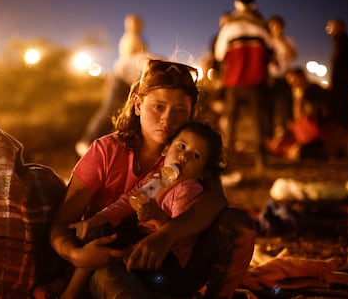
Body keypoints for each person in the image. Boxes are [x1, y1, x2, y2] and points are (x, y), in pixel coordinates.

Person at [32, 58, 255, 299]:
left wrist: (165, 235)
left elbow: (215, 200)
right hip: (112, 262)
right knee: (115, 281)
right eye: (158, 107)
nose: (167, 120)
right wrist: (76, 256)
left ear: (191, 114)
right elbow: (61, 226)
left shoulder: (189, 155)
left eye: (179, 111)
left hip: (173, 264)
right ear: (138, 105)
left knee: (237, 223)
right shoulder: (106, 152)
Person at [61, 120, 228, 299]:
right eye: (181, 146)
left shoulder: (188, 189)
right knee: (98, 232)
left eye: (196, 156)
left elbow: (178, 238)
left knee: (126, 263)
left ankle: (73, 290)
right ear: (166, 149)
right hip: (141, 241)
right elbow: (127, 202)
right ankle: (71, 289)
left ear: (204, 173)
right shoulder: (157, 179)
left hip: (167, 262)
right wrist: (97, 219)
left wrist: (157, 216)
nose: (184, 157)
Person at [214, 0, 273, 173]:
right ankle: (260, 160)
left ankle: (227, 160)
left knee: (231, 122)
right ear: (254, 5)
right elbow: (270, 51)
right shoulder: (262, 28)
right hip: (256, 81)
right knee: (258, 122)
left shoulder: (229, 28)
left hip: (233, 82)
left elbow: (219, 54)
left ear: (237, 5)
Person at [75, 14, 150, 157]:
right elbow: (131, 61)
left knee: (123, 113)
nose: (136, 26)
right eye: (133, 23)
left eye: (138, 23)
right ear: (128, 24)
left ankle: (107, 146)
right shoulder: (130, 40)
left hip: (129, 81)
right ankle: (86, 141)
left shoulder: (138, 41)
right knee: (109, 109)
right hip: (120, 79)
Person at [265, 66, 332, 161]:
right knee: (275, 145)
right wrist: (282, 132)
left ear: (303, 77)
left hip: (313, 131)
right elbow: (288, 118)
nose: (293, 82)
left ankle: (301, 151)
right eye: (290, 80)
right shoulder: (289, 94)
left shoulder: (315, 91)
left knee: (302, 149)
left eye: (295, 79)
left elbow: (322, 111)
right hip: (297, 130)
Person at [325, 18, 348, 155]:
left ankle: (343, 148)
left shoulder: (344, 43)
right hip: (341, 83)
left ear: (340, 28)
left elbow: (341, 67)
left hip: (342, 84)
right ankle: (341, 148)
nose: (329, 30)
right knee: (340, 115)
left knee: (341, 115)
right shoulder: (340, 43)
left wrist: (334, 82)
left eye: (331, 27)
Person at [267, 15, 298, 137]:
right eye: (273, 26)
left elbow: (292, 56)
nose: (275, 29)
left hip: (284, 78)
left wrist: (281, 40)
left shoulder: (288, 40)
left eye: (278, 26)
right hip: (269, 78)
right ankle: (269, 136)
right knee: (269, 108)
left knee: (286, 108)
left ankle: (287, 135)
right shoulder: (267, 41)